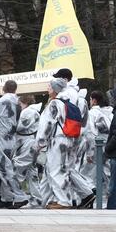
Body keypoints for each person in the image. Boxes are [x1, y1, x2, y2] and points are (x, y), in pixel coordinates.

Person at [36, 78, 94, 209]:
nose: (47, 89)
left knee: (56, 171)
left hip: (57, 140)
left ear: (56, 89)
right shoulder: (68, 103)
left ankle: (63, 201)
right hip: (70, 139)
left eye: (49, 87)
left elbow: (46, 124)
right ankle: (82, 194)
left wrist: (40, 142)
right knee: (66, 169)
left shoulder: (54, 104)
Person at [0, 80, 29, 209]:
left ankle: (20, 196)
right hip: (10, 139)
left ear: (4, 88)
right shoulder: (17, 102)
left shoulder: (2, 101)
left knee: (5, 169)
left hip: (0, 139)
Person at [80, 91, 112, 207]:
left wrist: (89, 152)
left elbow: (90, 133)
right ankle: (109, 197)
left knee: (86, 173)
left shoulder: (92, 113)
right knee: (106, 171)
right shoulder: (109, 112)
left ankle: (90, 192)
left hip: (96, 145)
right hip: (108, 144)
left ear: (93, 100)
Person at [13, 95, 43, 208]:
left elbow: (20, 127)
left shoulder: (27, 112)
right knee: (32, 172)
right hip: (32, 143)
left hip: (26, 144)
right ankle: (37, 199)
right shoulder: (35, 112)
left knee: (16, 169)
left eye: (20, 104)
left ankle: (19, 197)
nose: (19, 107)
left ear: (24, 102)